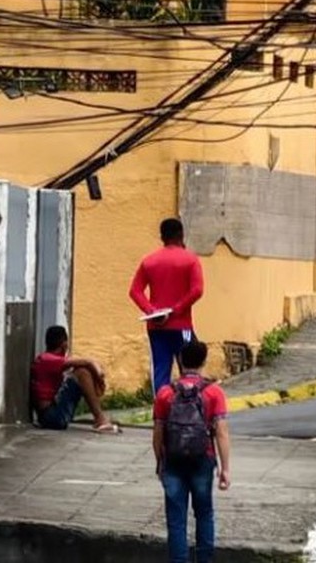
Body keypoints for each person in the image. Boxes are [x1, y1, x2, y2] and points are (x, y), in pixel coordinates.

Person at [152, 340, 230, 563]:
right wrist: (225, 469)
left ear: (180, 361)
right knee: (204, 513)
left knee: (176, 520)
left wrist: (160, 462)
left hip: (173, 461)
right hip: (203, 459)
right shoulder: (214, 393)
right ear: (204, 362)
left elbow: (158, 433)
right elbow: (222, 432)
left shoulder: (166, 393)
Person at [130, 218, 204, 394]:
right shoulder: (190, 260)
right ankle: (189, 406)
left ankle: (160, 412)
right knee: (188, 368)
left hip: (156, 325)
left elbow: (135, 291)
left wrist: (151, 311)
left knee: (160, 368)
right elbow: (197, 290)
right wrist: (177, 309)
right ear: (181, 235)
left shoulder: (149, 261)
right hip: (181, 325)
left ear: (162, 237)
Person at [30, 325, 119, 433]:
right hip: (52, 418)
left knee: (79, 373)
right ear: (64, 345)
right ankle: (101, 419)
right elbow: (88, 362)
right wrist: (99, 376)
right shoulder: (50, 360)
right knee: (82, 373)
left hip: (48, 416)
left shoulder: (44, 359)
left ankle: (101, 417)